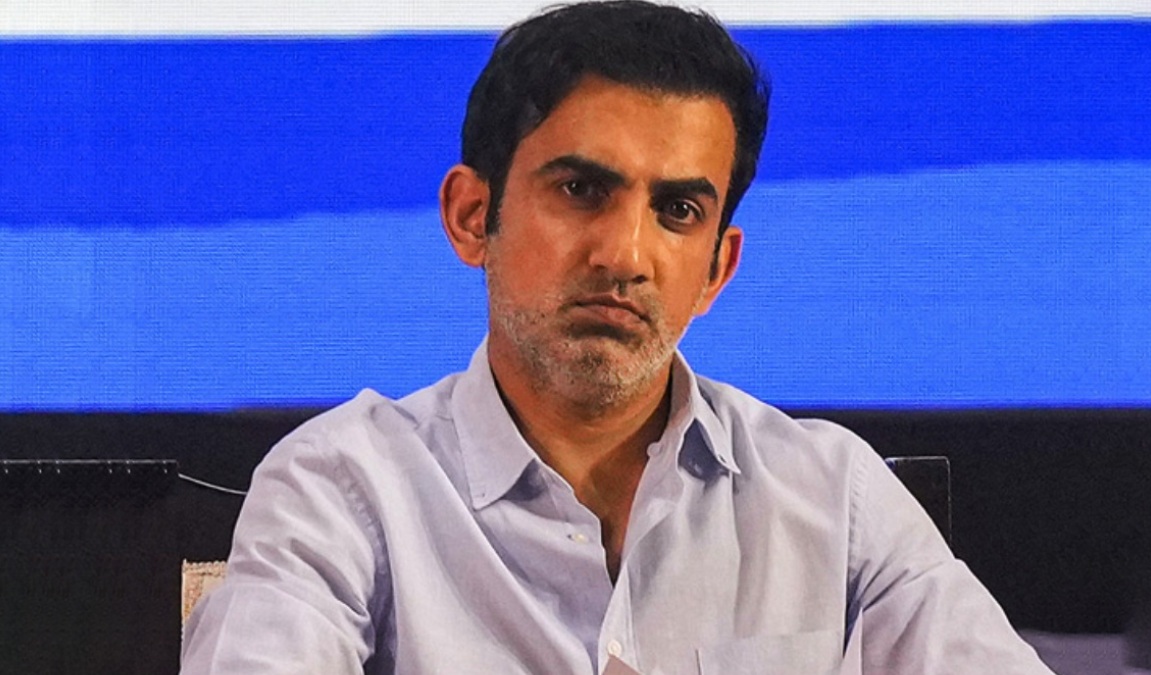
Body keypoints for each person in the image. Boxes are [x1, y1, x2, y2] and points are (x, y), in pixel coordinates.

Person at [181, 2, 1053, 673]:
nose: (626, 254)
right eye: (582, 190)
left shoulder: (834, 496)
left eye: (677, 210)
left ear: (716, 269)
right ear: (473, 215)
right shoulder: (342, 488)